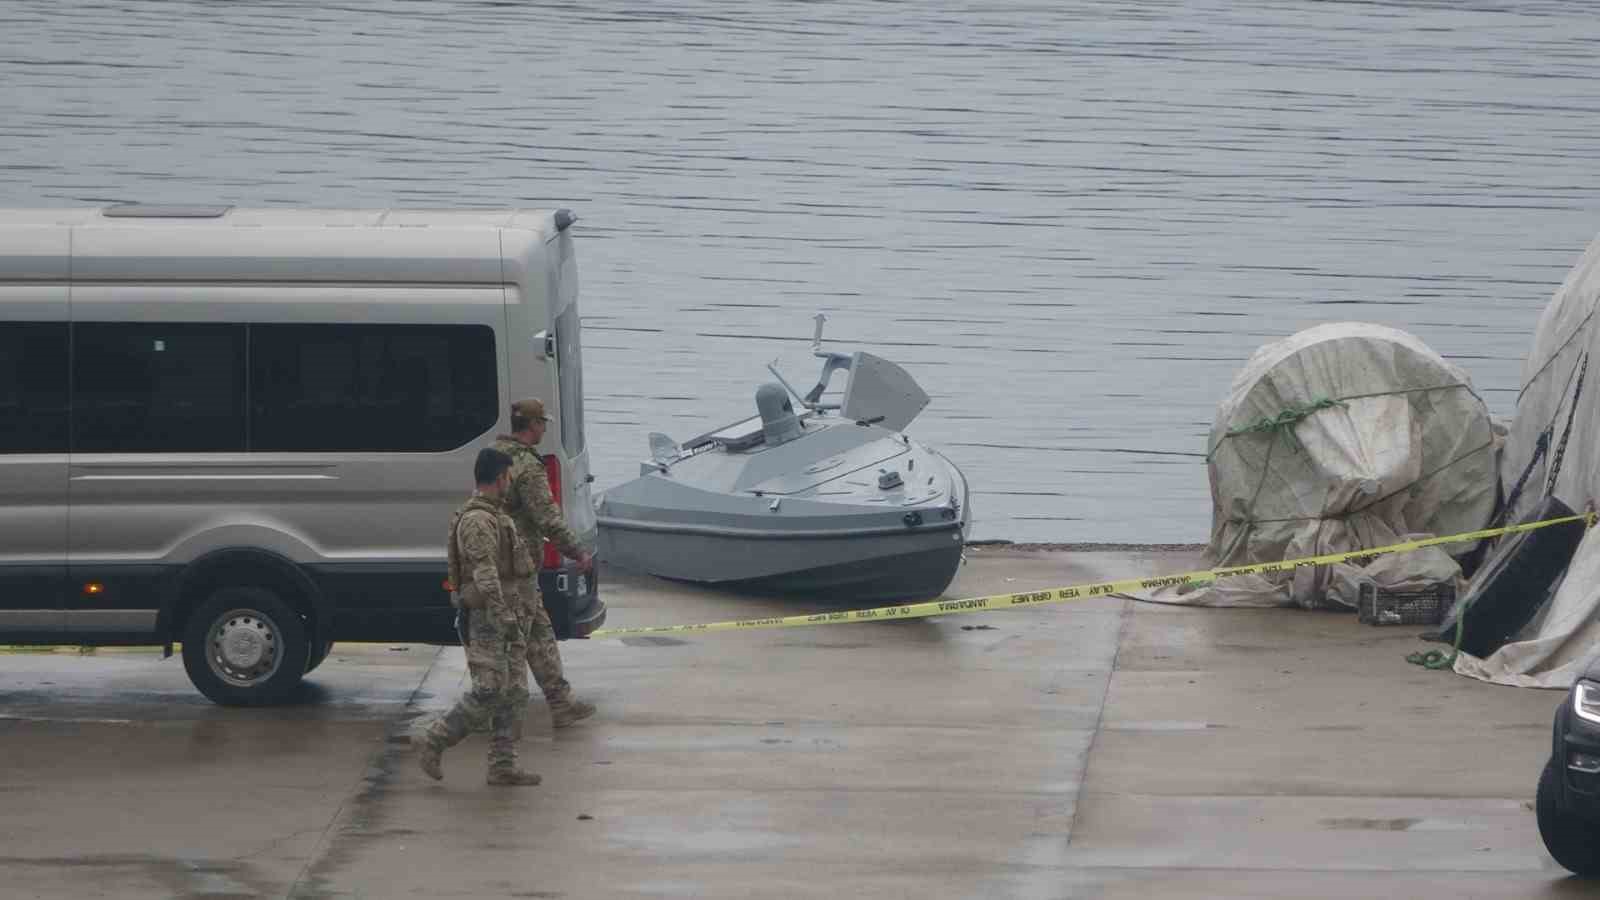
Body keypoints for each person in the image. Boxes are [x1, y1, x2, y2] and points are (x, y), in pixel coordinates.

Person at [413, 448, 540, 786]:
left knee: (513, 692)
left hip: (508, 614)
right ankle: (435, 739)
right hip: (488, 618)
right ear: (500, 478)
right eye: (508, 477)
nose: (510, 483)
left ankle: (503, 765)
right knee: (488, 690)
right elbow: (485, 576)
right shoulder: (477, 521)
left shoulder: (496, 515)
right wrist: (505, 617)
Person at [492, 398, 599, 729]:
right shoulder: (527, 465)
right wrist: (578, 552)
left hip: (503, 561)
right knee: (515, 642)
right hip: (517, 568)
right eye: (543, 423)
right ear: (533, 425)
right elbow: (547, 517)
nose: (545, 429)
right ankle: (496, 716)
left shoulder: (495, 455)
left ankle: (560, 702)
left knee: (540, 633)